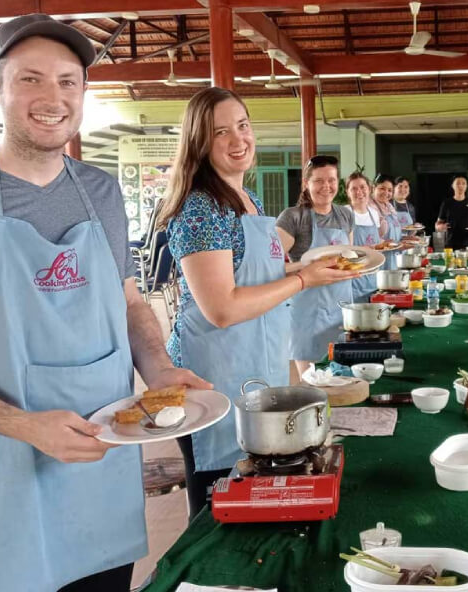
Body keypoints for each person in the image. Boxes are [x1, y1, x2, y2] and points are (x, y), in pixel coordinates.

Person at [0, 14, 210, 592]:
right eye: (31, 79)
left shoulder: (102, 191)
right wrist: (22, 424)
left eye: (68, 82)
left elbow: (129, 299)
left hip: (101, 464)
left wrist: (158, 369)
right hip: (3, 476)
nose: (52, 98)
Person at [157, 88, 355, 516]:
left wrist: (317, 268)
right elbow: (222, 307)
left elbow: (259, 274)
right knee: (218, 502)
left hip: (252, 362)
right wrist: (304, 279)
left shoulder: (248, 199)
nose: (238, 139)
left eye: (243, 126)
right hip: (212, 377)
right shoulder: (200, 209)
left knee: (254, 491)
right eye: (220, 132)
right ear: (199, 142)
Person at [277, 156, 357, 377]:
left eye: (331, 180)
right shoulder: (293, 218)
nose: (326, 187)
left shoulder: (345, 215)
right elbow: (268, 266)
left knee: (342, 380)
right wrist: (307, 267)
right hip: (308, 312)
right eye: (319, 181)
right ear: (306, 183)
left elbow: (348, 257)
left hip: (341, 306)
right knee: (313, 384)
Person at [346, 172, 386, 301]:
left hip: (374, 277)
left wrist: (382, 244)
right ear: (347, 192)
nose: (359, 192)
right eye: (354, 188)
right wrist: (361, 250)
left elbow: (376, 240)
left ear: (369, 189)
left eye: (363, 187)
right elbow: (340, 249)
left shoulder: (374, 213)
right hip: (354, 278)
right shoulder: (345, 213)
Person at [435, 175, 468, 249]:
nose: (461, 186)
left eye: (464, 183)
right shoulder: (446, 203)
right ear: (452, 186)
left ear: (466, 186)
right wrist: (441, 227)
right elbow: (437, 224)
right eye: (458, 183)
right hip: (450, 243)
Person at [371, 174, 404, 270]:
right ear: (373, 188)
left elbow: (396, 232)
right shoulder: (369, 207)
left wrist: (404, 239)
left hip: (394, 258)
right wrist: (385, 244)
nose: (386, 193)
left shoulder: (389, 206)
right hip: (379, 259)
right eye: (382, 188)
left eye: (390, 190)